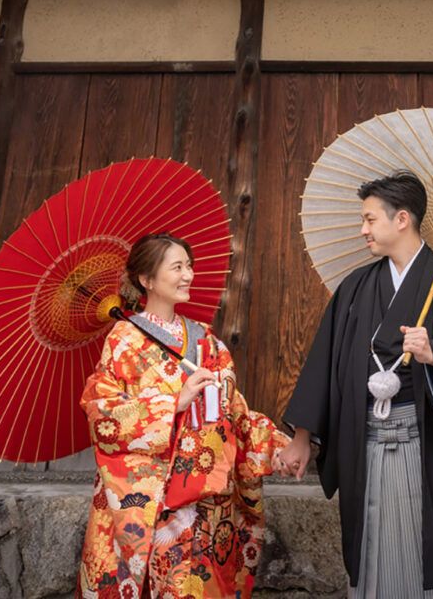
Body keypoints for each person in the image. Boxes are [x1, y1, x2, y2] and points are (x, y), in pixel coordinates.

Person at [279, 172, 433, 597]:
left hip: (431, 445)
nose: (363, 230)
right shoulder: (356, 289)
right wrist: (302, 437)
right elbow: (323, 363)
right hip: (369, 442)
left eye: (369, 220)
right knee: (379, 545)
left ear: (402, 219)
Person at [78, 232, 289, 599]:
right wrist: (173, 402)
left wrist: (278, 448)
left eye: (189, 265)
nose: (188, 274)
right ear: (147, 280)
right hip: (152, 500)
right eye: (177, 267)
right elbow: (103, 415)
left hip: (205, 494)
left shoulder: (206, 340)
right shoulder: (124, 340)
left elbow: (233, 410)